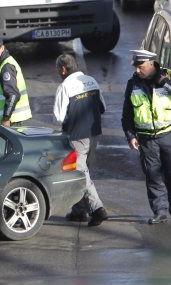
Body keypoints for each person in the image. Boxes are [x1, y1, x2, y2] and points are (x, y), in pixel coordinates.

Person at [121, 49, 171, 224]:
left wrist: (165, 84)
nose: (137, 71)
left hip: (168, 135)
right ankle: (160, 211)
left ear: (151, 64)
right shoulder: (133, 84)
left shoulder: (168, 76)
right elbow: (127, 113)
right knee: (152, 175)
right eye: (136, 67)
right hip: (146, 138)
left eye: (140, 67)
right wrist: (130, 135)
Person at [53, 53, 108, 226]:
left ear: (63, 69)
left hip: (76, 136)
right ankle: (79, 211)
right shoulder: (91, 80)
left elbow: (59, 116)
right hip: (94, 134)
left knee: (79, 173)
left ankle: (97, 209)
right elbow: (103, 107)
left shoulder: (65, 86)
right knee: (83, 171)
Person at [0, 34, 31, 127]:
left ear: (2, 48)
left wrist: (6, 119)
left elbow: (13, 95)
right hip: (5, 122)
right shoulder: (2, 64)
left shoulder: (6, 66)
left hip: (9, 123)